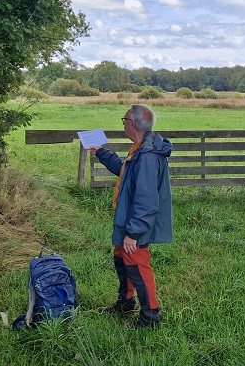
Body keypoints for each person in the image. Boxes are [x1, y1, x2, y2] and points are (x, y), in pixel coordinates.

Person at [88, 104, 173, 328]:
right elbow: (126, 171)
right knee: (122, 258)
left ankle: (150, 317)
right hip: (126, 218)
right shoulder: (140, 147)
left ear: (132, 123)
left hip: (135, 223)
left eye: (124, 119)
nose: (123, 122)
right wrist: (101, 153)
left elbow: (147, 200)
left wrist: (133, 233)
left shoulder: (147, 155)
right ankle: (126, 302)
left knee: (136, 263)